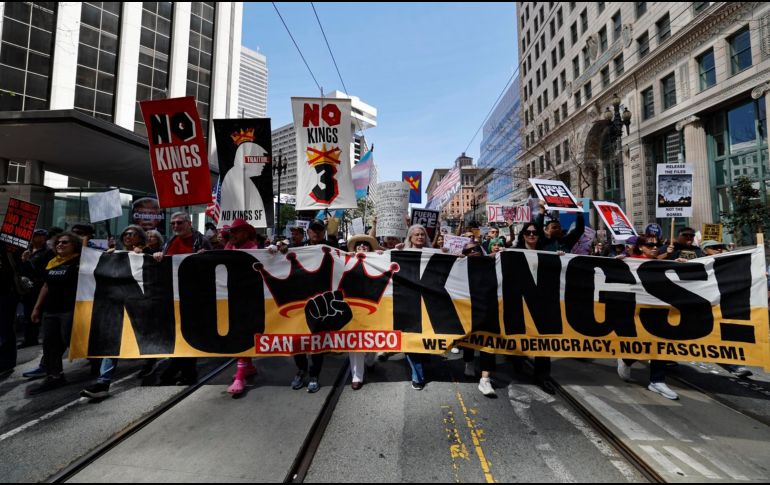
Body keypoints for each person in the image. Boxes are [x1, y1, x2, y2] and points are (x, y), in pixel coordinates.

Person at [616, 235, 679, 400]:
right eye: (650, 245)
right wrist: (615, 263)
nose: (655, 247)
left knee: (660, 342)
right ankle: (627, 359)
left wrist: (682, 266)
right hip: (636, 310)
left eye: (657, 244)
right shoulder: (630, 261)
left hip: (659, 309)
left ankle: (657, 381)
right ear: (640, 247)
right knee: (644, 343)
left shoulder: (661, 263)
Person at [279, 219, 338, 393]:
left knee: (317, 340)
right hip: (299, 301)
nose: (316, 232)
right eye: (314, 229)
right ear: (308, 231)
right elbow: (280, 254)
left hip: (320, 302)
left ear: (324, 231)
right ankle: (301, 369)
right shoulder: (297, 248)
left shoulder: (330, 247)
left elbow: (348, 255)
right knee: (297, 338)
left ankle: (314, 374)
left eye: (320, 229)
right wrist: (278, 248)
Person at [154, 212, 211, 385]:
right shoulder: (169, 241)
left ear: (189, 223)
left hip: (193, 296)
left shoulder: (201, 241)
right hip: (173, 295)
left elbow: (212, 265)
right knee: (176, 334)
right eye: (173, 223)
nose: (175, 226)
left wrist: (206, 257)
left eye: (179, 222)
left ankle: (187, 372)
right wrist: (158, 255)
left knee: (189, 334)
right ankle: (178, 368)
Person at [28, 232, 82, 394]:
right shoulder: (52, 262)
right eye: (58, 242)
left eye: (65, 242)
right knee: (50, 344)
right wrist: (37, 307)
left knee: (69, 340)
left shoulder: (79, 261)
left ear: (74, 245)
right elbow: (46, 286)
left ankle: (97, 362)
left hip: (70, 310)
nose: (60, 244)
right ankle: (54, 376)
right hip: (51, 310)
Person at [700, 240, 753, 378]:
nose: (719, 249)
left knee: (726, 336)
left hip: (723, 305)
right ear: (705, 250)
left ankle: (735, 366)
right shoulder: (698, 262)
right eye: (714, 247)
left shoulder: (727, 262)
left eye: (720, 247)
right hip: (702, 307)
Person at [513, 222, 555, 394]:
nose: (531, 235)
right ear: (523, 235)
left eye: (535, 232)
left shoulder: (547, 253)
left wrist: (560, 259)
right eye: (528, 232)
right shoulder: (514, 253)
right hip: (519, 300)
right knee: (519, 334)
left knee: (543, 338)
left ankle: (542, 377)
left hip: (542, 301)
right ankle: (517, 361)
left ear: (539, 235)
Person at [460, 241, 498, 397]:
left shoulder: (492, 262)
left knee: (488, 341)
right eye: (468, 251)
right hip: (468, 308)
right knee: (470, 338)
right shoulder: (459, 266)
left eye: (475, 249)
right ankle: (469, 362)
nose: (472, 252)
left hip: (489, 307)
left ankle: (485, 379)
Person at [345, 234, 380, 390]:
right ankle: (357, 376)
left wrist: (381, 256)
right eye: (359, 244)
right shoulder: (347, 259)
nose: (362, 246)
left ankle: (370, 360)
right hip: (353, 306)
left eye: (365, 244)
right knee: (354, 341)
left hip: (375, 305)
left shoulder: (379, 258)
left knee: (374, 336)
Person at [400, 224, 432, 390]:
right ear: (410, 237)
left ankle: (422, 361)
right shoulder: (402, 253)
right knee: (411, 338)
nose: (420, 237)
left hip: (428, 302)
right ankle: (417, 376)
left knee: (424, 337)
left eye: (422, 234)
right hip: (408, 302)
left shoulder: (433, 253)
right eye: (417, 234)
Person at [18, 229, 53, 348]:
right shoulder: (26, 249)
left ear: (44, 238)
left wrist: (27, 262)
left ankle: (34, 338)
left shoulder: (48, 252)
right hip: (25, 286)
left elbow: (43, 270)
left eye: (37, 235)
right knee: (27, 313)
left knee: (36, 312)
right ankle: (29, 338)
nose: (33, 237)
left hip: (39, 286)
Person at [0, 244, 24, 378]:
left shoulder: (8, 247)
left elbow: (18, 267)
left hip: (6, 293)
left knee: (5, 328)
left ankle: (6, 363)